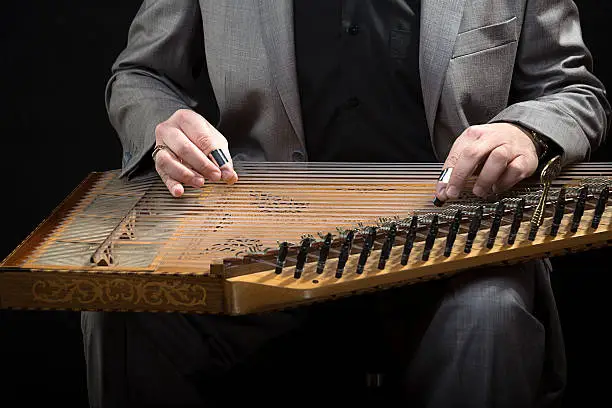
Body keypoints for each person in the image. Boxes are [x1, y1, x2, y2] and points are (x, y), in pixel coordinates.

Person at [83, 1, 610, 407]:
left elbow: (571, 90)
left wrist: (526, 133)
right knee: (122, 308)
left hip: (454, 247)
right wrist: (162, 127)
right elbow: (140, 76)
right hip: (259, 248)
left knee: (489, 317)